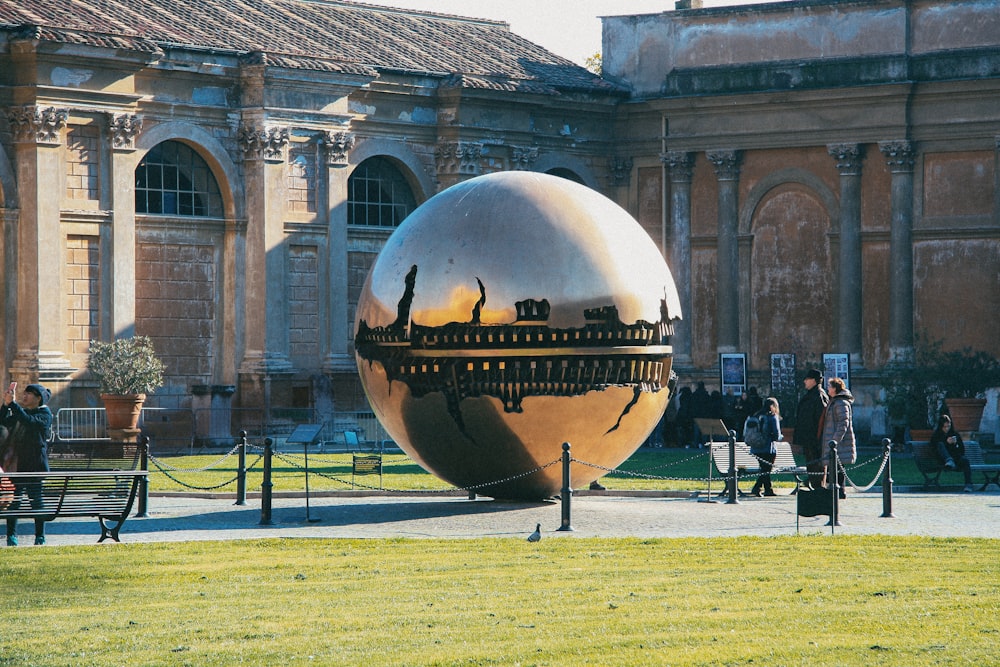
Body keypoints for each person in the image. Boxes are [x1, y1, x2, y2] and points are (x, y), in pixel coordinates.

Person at [2, 383, 52, 546]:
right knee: (14, 502)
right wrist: (5, 404)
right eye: (24, 393)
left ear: (38, 398)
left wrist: (13, 405)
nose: (25, 396)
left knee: (36, 501)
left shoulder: (44, 414)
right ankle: (11, 536)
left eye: (29, 394)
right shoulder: (22, 413)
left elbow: (29, 422)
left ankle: (40, 536)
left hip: (35, 465)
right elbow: (3, 421)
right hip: (18, 464)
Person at [820, 377, 856, 500]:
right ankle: (835, 491)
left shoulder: (841, 403)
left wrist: (835, 440)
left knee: (838, 467)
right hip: (832, 440)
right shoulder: (834, 402)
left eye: (830, 386)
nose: (828, 389)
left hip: (838, 442)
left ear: (835, 388)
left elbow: (843, 423)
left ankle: (840, 491)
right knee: (833, 466)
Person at [793, 368, 829, 489]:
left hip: (814, 439)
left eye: (807, 379)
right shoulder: (812, 395)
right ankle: (816, 488)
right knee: (812, 465)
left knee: (816, 466)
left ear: (813, 380)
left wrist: (817, 438)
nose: (804, 381)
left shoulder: (818, 396)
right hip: (809, 438)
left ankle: (818, 489)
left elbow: (822, 420)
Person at [930, 414, 973, 493]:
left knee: (965, 460)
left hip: (955, 458)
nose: (947, 429)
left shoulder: (954, 434)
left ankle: (968, 484)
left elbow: (961, 450)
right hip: (943, 460)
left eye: (948, 426)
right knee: (940, 444)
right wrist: (946, 442)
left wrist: (956, 444)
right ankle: (949, 460)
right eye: (945, 427)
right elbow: (934, 450)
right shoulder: (936, 435)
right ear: (941, 426)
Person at [749, 397, 782, 497]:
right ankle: (757, 487)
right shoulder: (772, 416)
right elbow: (776, 435)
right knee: (766, 469)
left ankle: (767, 489)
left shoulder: (756, 415)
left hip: (755, 447)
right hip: (768, 448)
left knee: (764, 469)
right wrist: (781, 437)